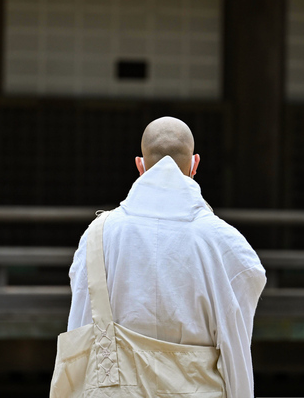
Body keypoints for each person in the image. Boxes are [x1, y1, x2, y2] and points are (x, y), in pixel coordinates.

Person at [67, 116, 266, 397]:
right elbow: (236, 348)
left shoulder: (99, 236)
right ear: (195, 164)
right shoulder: (225, 244)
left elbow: (80, 334)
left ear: (141, 166)